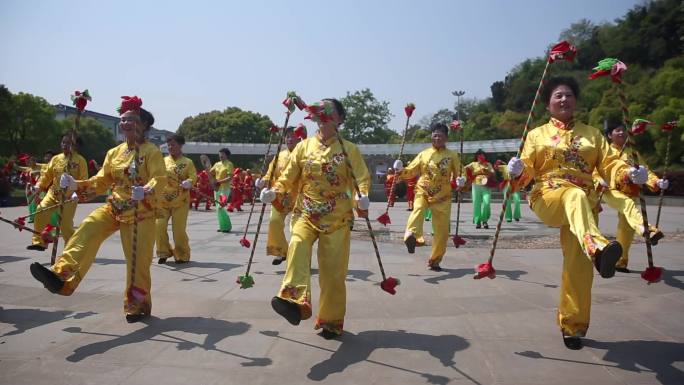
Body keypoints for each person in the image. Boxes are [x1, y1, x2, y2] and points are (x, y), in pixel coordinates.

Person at [506, 77, 650, 349]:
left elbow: (611, 164)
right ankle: (597, 247)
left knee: (579, 267)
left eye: (569, 95)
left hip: (585, 205)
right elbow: (526, 168)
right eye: (558, 96)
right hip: (549, 196)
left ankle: (573, 326)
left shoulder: (593, 134)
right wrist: (515, 170)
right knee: (574, 195)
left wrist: (630, 173)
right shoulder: (537, 134)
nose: (564, 99)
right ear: (548, 104)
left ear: (576, 101)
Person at [29, 96, 166, 323]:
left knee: (137, 262)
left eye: (130, 119)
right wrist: (75, 185)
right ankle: (62, 277)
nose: (124, 123)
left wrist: (147, 190)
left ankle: (136, 303)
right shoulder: (114, 153)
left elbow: (160, 178)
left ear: (143, 125)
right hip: (114, 207)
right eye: (122, 119)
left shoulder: (151, 151)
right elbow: (101, 180)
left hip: (141, 212)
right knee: (88, 228)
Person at [260, 98, 370, 339]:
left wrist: (363, 197)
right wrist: (275, 191)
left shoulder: (349, 149)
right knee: (297, 246)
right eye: (319, 112)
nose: (322, 117)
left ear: (339, 119)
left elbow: (361, 178)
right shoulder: (303, 147)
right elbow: (288, 176)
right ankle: (293, 302)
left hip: (337, 218)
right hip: (305, 212)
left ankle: (330, 321)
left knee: (332, 273)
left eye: (327, 112)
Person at [597, 121, 667, 273]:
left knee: (626, 228)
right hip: (610, 190)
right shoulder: (605, 151)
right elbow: (594, 167)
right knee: (628, 205)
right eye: (617, 130)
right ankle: (648, 230)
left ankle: (620, 262)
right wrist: (598, 179)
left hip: (631, 191)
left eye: (623, 130)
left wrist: (656, 181)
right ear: (609, 135)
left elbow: (645, 171)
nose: (622, 133)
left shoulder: (632, 152)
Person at [394, 122, 463, 271]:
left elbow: (459, 174)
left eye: (440, 135)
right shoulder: (423, 154)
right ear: (431, 136)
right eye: (435, 135)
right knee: (417, 209)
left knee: (442, 231)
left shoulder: (452, 155)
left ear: (446, 138)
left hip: (443, 196)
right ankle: (412, 236)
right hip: (423, 190)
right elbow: (411, 170)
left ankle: (435, 259)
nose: (437, 137)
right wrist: (400, 169)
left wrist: (461, 181)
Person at [27, 135, 87, 251]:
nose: (65, 145)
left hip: (69, 197)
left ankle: (70, 250)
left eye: (68, 143)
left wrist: (76, 190)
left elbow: (84, 180)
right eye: (63, 142)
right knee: (40, 210)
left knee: (65, 225)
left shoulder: (80, 160)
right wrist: (38, 187)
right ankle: (39, 242)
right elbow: (46, 176)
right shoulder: (55, 159)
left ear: (76, 146)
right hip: (53, 193)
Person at [258, 126, 304, 265]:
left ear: (299, 138)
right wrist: (263, 181)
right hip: (278, 196)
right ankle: (281, 251)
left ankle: (300, 257)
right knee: (274, 222)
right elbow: (269, 174)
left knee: (297, 229)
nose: (289, 138)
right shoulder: (279, 156)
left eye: (293, 136)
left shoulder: (304, 154)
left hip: (299, 197)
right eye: (287, 136)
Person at [156, 134, 197, 264]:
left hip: (181, 201)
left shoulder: (188, 162)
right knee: (159, 226)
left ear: (180, 145)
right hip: (162, 201)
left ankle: (182, 254)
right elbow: (155, 176)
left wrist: (189, 182)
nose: (170, 147)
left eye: (173, 144)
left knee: (178, 230)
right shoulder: (162, 161)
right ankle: (164, 251)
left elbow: (193, 176)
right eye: (168, 145)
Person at [465, 149, 494, 229]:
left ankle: (484, 220)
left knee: (486, 203)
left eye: (482, 155)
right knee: (476, 204)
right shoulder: (473, 164)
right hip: (476, 185)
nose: (481, 156)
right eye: (479, 155)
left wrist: (486, 170)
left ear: (484, 156)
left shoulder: (488, 164)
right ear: (476, 157)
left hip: (486, 185)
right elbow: (464, 169)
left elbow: (492, 173)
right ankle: (478, 221)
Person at [210, 148, 234, 232]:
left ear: (226, 155)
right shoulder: (217, 164)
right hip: (217, 189)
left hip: (225, 189)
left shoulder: (229, 164)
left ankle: (227, 226)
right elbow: (210, 173)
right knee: (217, 208)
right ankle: (223, 227)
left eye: (222, 154)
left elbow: (230, 177)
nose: (220, 155)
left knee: (221, 207)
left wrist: (219, 181)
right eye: (219, 154)